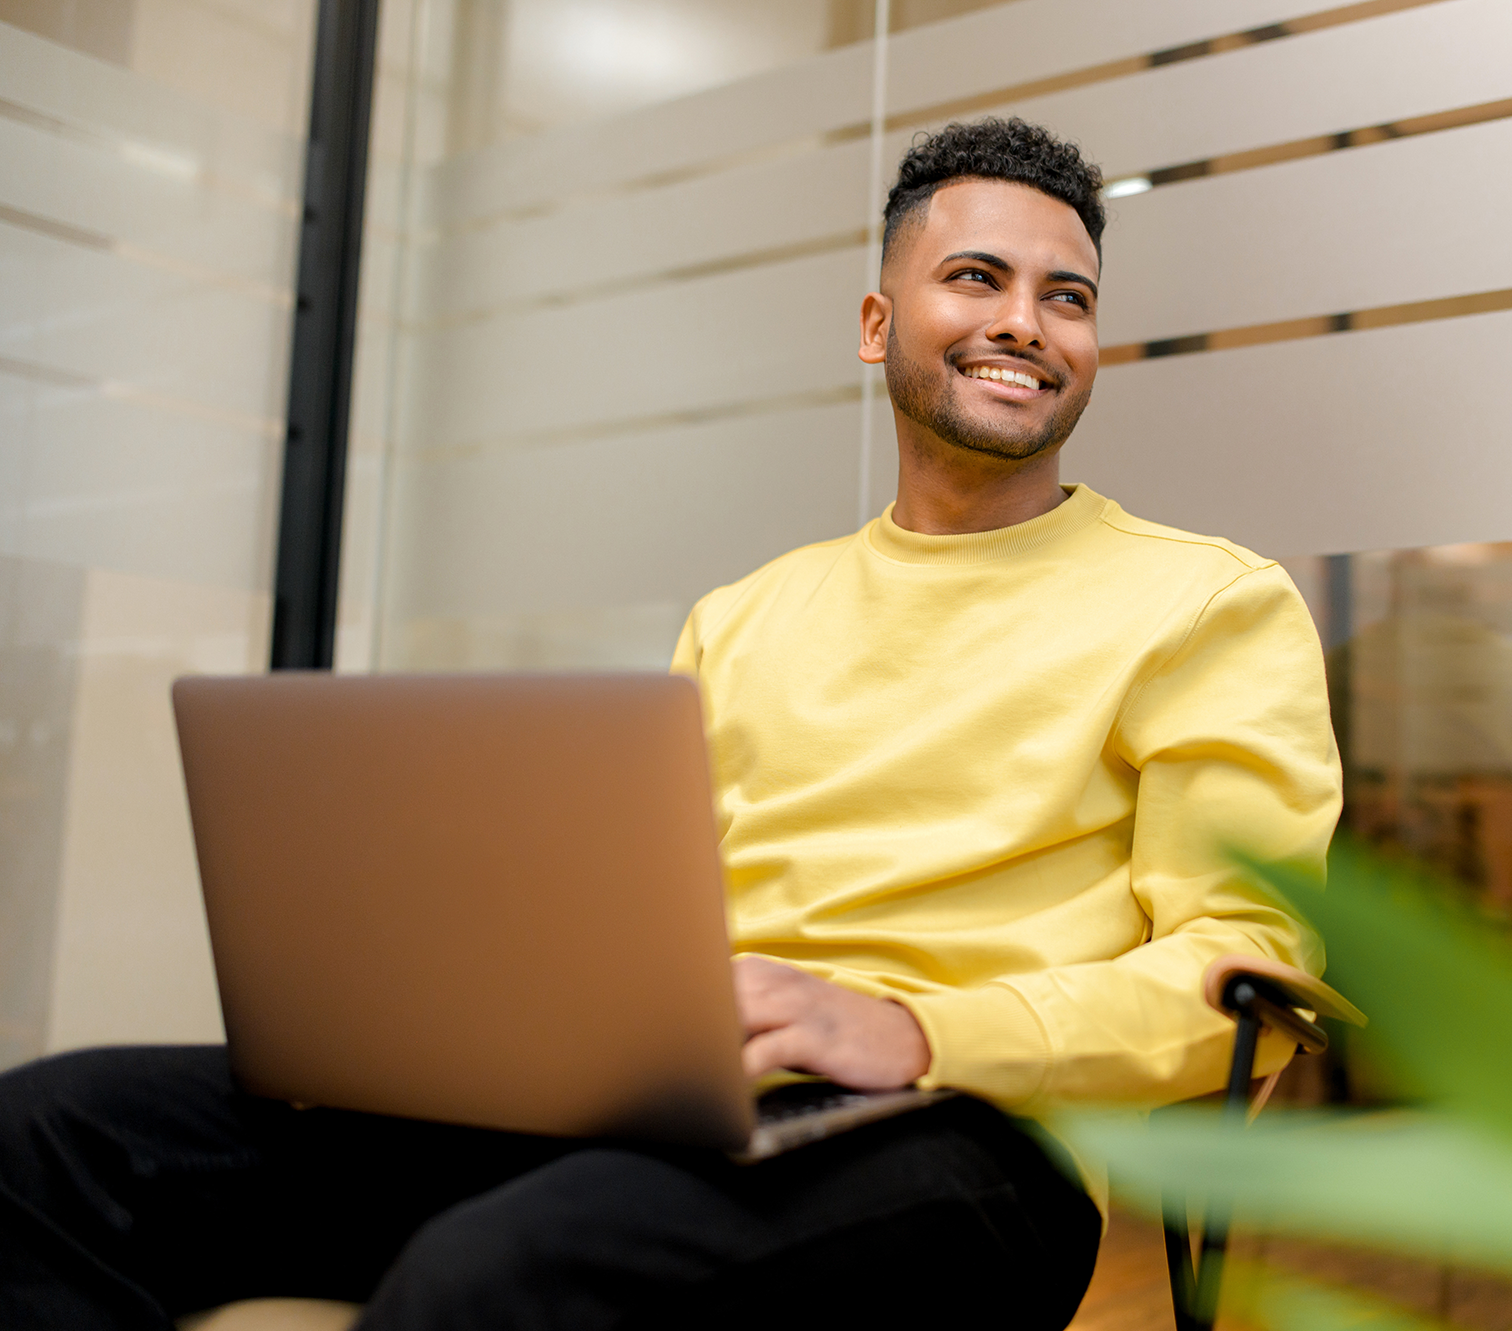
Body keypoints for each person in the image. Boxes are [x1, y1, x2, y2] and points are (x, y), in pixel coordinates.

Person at [0, 118, 1339, 1330]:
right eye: (977, 279)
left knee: (509, 1270)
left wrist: (921, 1029)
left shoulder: (1205, 602)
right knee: (54, 1133)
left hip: (969, 1142)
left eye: (1070, 298)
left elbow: (1247, 975)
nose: (1027, 325)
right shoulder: (748, 612)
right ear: (878, 323)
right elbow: (652, 911)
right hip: (680, 1099)